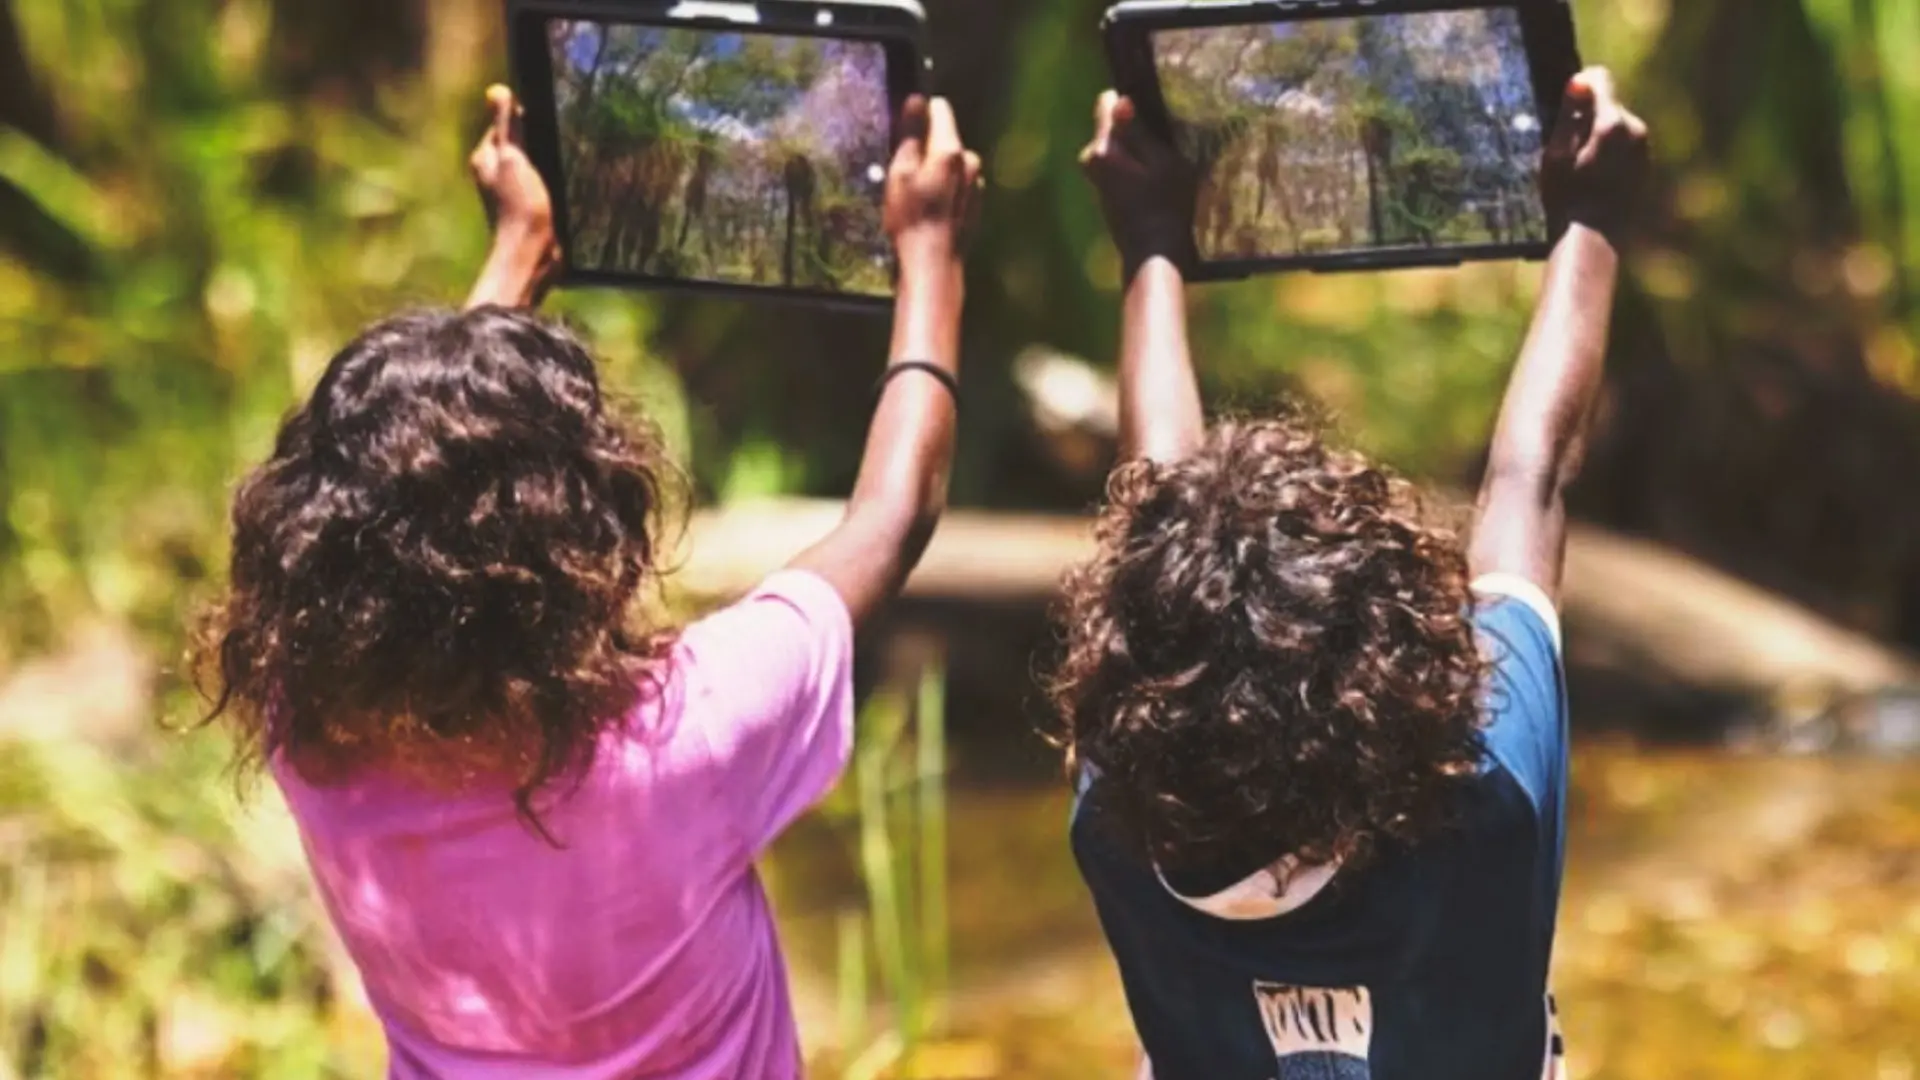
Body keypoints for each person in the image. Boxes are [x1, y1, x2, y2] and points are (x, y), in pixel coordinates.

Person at [196, 86, 982, 1078]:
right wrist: (930, 256)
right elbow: (891, 515)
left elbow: (411, 496)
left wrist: (516, 254)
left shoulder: (310, 732)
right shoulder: (684, 736)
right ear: (583, 544)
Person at [1053, 70, 1649, 1080]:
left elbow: (1149, 495)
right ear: (1394, 665)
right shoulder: (1487, 794)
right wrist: (1590, 223)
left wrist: (1151, 245)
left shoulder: (1115, 811)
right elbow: (1529, 482)